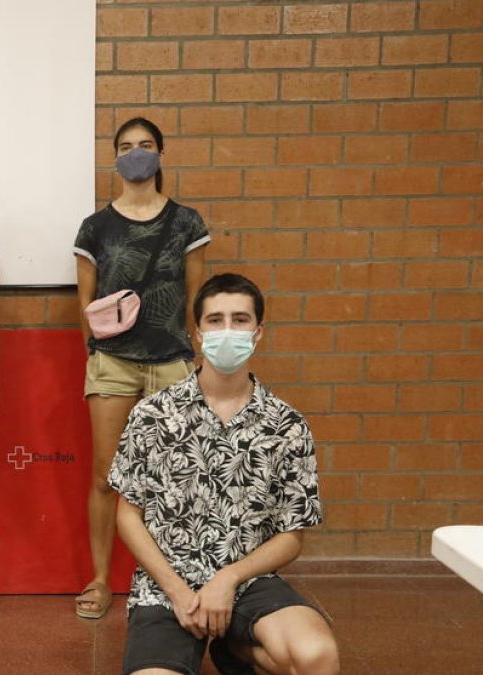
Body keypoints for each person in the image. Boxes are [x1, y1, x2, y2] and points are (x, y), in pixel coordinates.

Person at [109, 273, 340, 675]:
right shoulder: (153, 414)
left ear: (258, 331)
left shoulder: (286, 425)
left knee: (316, 657)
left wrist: (228, 578)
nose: (227, 330)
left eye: (240, 319)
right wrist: (177, 590)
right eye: (215, 320)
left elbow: (292, 534)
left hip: (248, 582)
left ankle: (236, 648)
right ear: (197, 333)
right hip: (167, 587)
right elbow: (128, 514)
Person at [73, 117, 211, 619]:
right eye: (126, 146)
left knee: (177, 476)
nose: (136, 154)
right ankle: (100, 579)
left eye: (145, 145)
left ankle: (178, 578)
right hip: (112, 364)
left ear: (161, 154)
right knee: (106, 478)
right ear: (114, 157)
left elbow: (195, 297)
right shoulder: (95, 227)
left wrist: (196, 354)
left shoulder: (187, 222)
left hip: (173, 362)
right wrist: (95, 352)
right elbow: (85, 303)